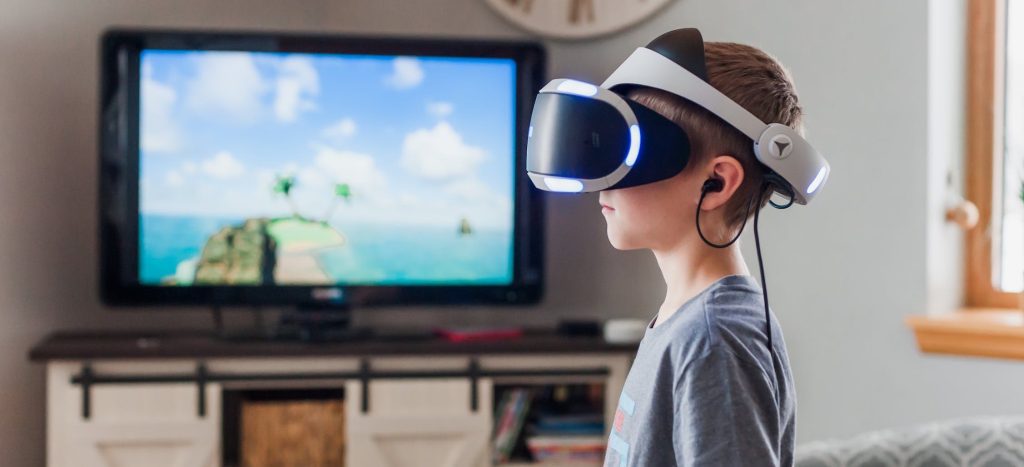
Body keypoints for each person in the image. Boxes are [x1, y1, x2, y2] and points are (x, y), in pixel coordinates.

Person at [600, 39, 803, 466]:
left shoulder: (714, 340)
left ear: (716, 183)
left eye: (630, 153)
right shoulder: (686, 321)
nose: (605, 178)